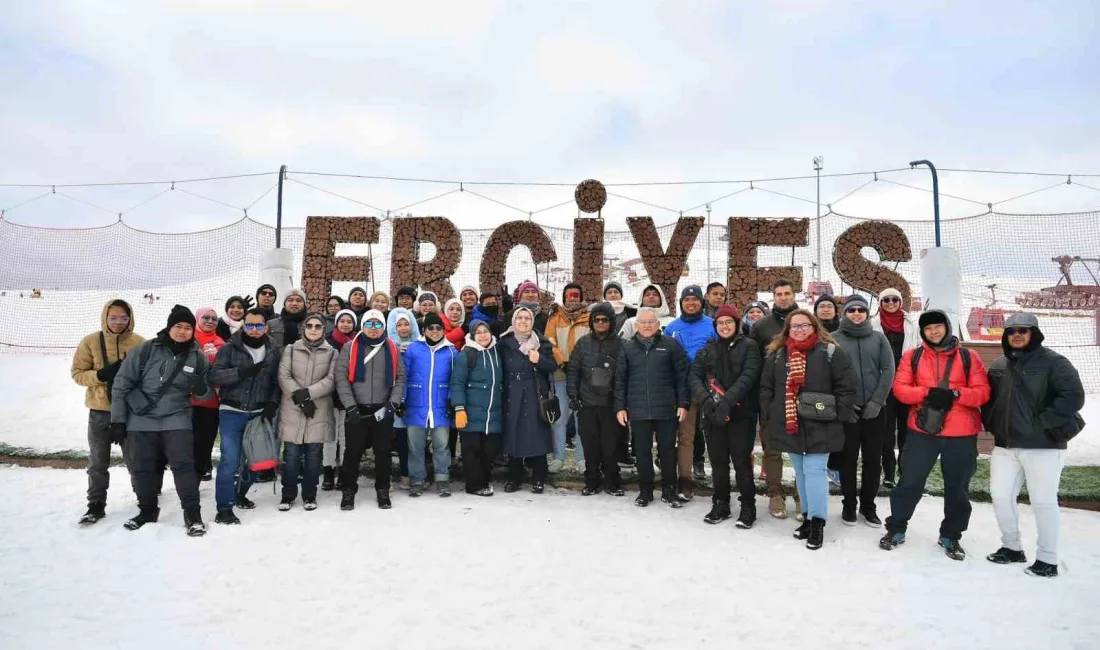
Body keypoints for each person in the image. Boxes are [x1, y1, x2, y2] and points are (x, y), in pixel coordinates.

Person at [880, 310, 991, 560]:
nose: (934, 332)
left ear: (947, 327)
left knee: (958, 487)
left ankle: (951, 535)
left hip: (961, 434)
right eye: (928, 329)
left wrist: (955, 395)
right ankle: (897, 527)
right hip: (923, 430)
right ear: (922, 332)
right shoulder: (913, 356)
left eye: (938, 327)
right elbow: (901, 389)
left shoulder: (968, 357)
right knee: (909, 482)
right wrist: (927, 393)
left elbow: (982, 392)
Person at [983, 312, 1085, 578]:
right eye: (1011, 330)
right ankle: (1012, 547)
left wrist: (1041, 423)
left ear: (1034, 333)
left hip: (1044, 446)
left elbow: (1074, 396)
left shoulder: (1054, 362)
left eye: (1023, 330)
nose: (1017, 334)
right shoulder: (998, 364)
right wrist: (991, 421)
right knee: (1001, 497)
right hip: (1005, 446)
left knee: (1043, 501)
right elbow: (989, 399)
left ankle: (1048, 559)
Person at [759, 309, 858, 550]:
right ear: (788, 330)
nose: (800, 330)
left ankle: (817, 521)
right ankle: (806, 515)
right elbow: (766, 388)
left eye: (805, 325)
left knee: (814, 471)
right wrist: (769, 414)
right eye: (795, 326)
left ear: (814, 327)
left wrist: (836, 414)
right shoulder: (777, 356)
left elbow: (846, 387)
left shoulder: (831, 353)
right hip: (790, 423)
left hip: (822, 423)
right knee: (801, 472)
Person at [110, 305, 212, 537]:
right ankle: (147, 511)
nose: (183, 331)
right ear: (169, 327)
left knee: (184, 466)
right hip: (141, 419)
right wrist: (118, 420)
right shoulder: (145, 350)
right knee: (141, 468)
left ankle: (192, 514)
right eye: (178, 326)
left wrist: (201, 388)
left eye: (188, 327)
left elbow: (206, 396)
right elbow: (122, 383)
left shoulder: (198, 357)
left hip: (177, 418)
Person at [72, 299, 144, 525]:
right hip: (100, 411)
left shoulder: (140, 343)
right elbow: (77, 373)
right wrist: (101, 376)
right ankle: (95, 505)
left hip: (131, 413)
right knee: (98, 461)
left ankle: (145, 500)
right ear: (105, 317)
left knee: (136, 459)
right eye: (113, 318)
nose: (118, 322)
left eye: (123, 318)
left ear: (130, 318)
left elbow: (149, 376)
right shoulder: (91, 341)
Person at [209, 308, 282, 525]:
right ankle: (223, 508)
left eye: (259, 325)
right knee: (230, 460)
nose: (254, 329)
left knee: (257, 461)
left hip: (258, 413)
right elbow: (214, 376)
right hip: (232, 411)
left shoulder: (273, 350)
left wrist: (273, 403)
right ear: (244, 325)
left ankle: (239, 493)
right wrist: (240, 372)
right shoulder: (230, 348)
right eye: (249, 325)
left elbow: (275, 381)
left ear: (266, 327)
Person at [690, 305, 762, 527]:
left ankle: (748, 506)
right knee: (718, 461)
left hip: (741, 413)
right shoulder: (707, 348)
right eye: (720, 323)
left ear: (737, 324)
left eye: (728, 322)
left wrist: (727, 401)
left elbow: (749, 376)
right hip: (712, 414)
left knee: (741, 461)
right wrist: (705, 399)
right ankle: (720, 503)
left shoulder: (749, 346)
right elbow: (694, 376)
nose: (724, 326)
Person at [615, 307, 690, 508]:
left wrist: (683, 403)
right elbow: (620, 380)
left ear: (658, 325)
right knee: (642, 452)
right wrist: (620, 407)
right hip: (638, 410)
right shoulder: (627, 348)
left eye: (651, 322)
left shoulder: (671, 345)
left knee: (667, 451)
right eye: (643, 322)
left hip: (666, 409)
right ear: (636, 326)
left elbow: (682, 377)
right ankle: (645, 491)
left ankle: (669, 490)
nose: (647, 325)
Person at [831, 295, 895, 527]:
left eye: (861, 310)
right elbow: (830, 375)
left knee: (872, 460)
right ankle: (849, 505)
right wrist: (843, 405)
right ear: (845, 313)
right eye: (851, 310)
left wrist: (877, 402)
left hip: (875, 411)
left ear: (867, 313)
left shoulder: (878, 338)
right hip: (848, 411)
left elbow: (888, 369)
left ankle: (869, 506)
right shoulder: (834, 339)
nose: (856, 313)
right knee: (847, 459)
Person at [335, 309, 406, 510]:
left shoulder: (391, 347)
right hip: (357, 408)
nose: (373, 328)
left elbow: (400, 376)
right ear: (363, 325)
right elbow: (341, 378)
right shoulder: (350, 347)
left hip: (382, 408)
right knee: (353, 452)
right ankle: (349, 489)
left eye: (377, 324)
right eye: (369, 323)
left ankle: (382, 488)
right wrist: (350, 405)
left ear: (383, 327)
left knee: (383, 452)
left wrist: (393, 402)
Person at [749, 278, 801, 519]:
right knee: (772, 448)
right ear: (773, 297)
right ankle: (775, 494)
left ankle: (803, 494)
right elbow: (753, 363)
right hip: (770, 396)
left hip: (801, 396)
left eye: (787, 293)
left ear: (793, 294)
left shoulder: (805, 321)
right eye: (778, 294)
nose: (783, 297)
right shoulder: (761, 327)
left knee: (802, 448)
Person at [277, 314, 337, 511]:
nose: (313, 329)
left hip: (318, 409)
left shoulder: (331, 353)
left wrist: (309, 394)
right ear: (303, 329)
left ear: (323, 329)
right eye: (309, 326)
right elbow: (283, 375)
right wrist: (300, 398)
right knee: (292, 455)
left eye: (318, 326)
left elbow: (331, 379)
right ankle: (288, 495)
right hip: (293, 408)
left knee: (314, 455)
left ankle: (310, 494)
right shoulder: (291, 349)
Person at [664, 285, 717, 499]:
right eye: (687, 300)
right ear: (681, 303)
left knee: (716, 435)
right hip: (684, 388)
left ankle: (719, 478)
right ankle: (685, 480)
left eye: (695, 299)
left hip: (709, 387)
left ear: (702, 303)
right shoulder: (672, 327)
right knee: (686, 437)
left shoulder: (713, 325)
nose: (691, 303)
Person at [498, 306, 558, 493]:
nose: (523, 321)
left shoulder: (541, 342)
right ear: (513, 321)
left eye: (527, 318)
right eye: (519, 318)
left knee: (536, 434)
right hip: (511, 393)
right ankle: (514, 477)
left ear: (532, 322)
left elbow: (552, 367)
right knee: (514, 435)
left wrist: (539, 359)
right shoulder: (504, 343)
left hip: (534, 392)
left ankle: (539, 477)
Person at [567, 302, 624, 496]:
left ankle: (612, 481)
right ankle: (592, 481)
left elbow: (624, 376)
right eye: (596, 319)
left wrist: (621, 403)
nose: (600, 323)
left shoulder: (621, 344)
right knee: (590, 446)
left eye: (604, 319)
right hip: (587, 403)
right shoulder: (583, 343)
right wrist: (573, 395)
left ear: (611, 321)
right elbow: (573, 370)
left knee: (610, 446)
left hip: (610, 405)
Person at [403, 312, 459, 497]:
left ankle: (442, 479)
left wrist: (452, 400)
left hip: (441, 406)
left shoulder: (451, 351)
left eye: (438, 328)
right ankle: (417, 479)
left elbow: (455, 379)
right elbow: (404, 376)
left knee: (442, 445)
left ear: (443, 330)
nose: (434, 331)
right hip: (416, 404)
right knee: (415, 446)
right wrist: (402, 400)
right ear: (424, 330)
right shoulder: (413, 349)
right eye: (430, 328)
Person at [871, 287, 920, 488]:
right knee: (886, 431)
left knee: (908, 431)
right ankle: (889, 472)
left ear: (900, 302)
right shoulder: (873, 324)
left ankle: (905, 471)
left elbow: (920, 349)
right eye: (886, 300)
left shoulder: (912, 324)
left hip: (907, 383)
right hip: (885, 384)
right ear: (880, 303)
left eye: (894, 299)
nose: (890, 303)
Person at [451, 319, 504, 496]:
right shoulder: (466, 354)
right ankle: (474, 486)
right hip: (471, 413)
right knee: (472, 452)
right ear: (473, 336)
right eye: (478, 332)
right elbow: (457, 382)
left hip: (494, 414)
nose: (482, 335)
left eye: (485, 331)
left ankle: (484, 481)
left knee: (489, 451)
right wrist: (459, 408)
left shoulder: (498, 351)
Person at [546, 282, 592, 472]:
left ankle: (582, 459)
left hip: (584, 377)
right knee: (560, 417)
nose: (572, 299)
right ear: (564, 297)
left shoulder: (589, 317)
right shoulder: (556, 318)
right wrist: (561, 362)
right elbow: (550, 342)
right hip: (561, 374)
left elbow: (592, 344)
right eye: (569, 295)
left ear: (581, 297)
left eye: (576, 295)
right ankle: (558, 457)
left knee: (583, 419)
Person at [323, 308, 358, 490]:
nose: (346, 324)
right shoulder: (327, 342)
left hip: (350, 396)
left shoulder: (358, 342)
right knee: (329, 436)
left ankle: (345, 472)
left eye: (349, 321)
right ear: (337, 323)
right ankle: (328, 471)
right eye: (342, 321)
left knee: (346, 438)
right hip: (329, 395)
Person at [387, 307, 421, 490]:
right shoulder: (388, 346)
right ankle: (404, 474)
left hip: (416, 399)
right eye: (399, 324)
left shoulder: (420, 345)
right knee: (400, 440)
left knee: (415, 440)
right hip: (397, 398)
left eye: (406, 324)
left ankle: (415, 474)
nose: (403, 328)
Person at [191, 307, 225, 481]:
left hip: (211, 401)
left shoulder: (220, 342)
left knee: (206, 439)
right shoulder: (189, 338)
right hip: (187, 402)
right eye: (206, 318)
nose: (210, 321)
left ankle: (204, 466)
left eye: (214, 319)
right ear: (198, 318)